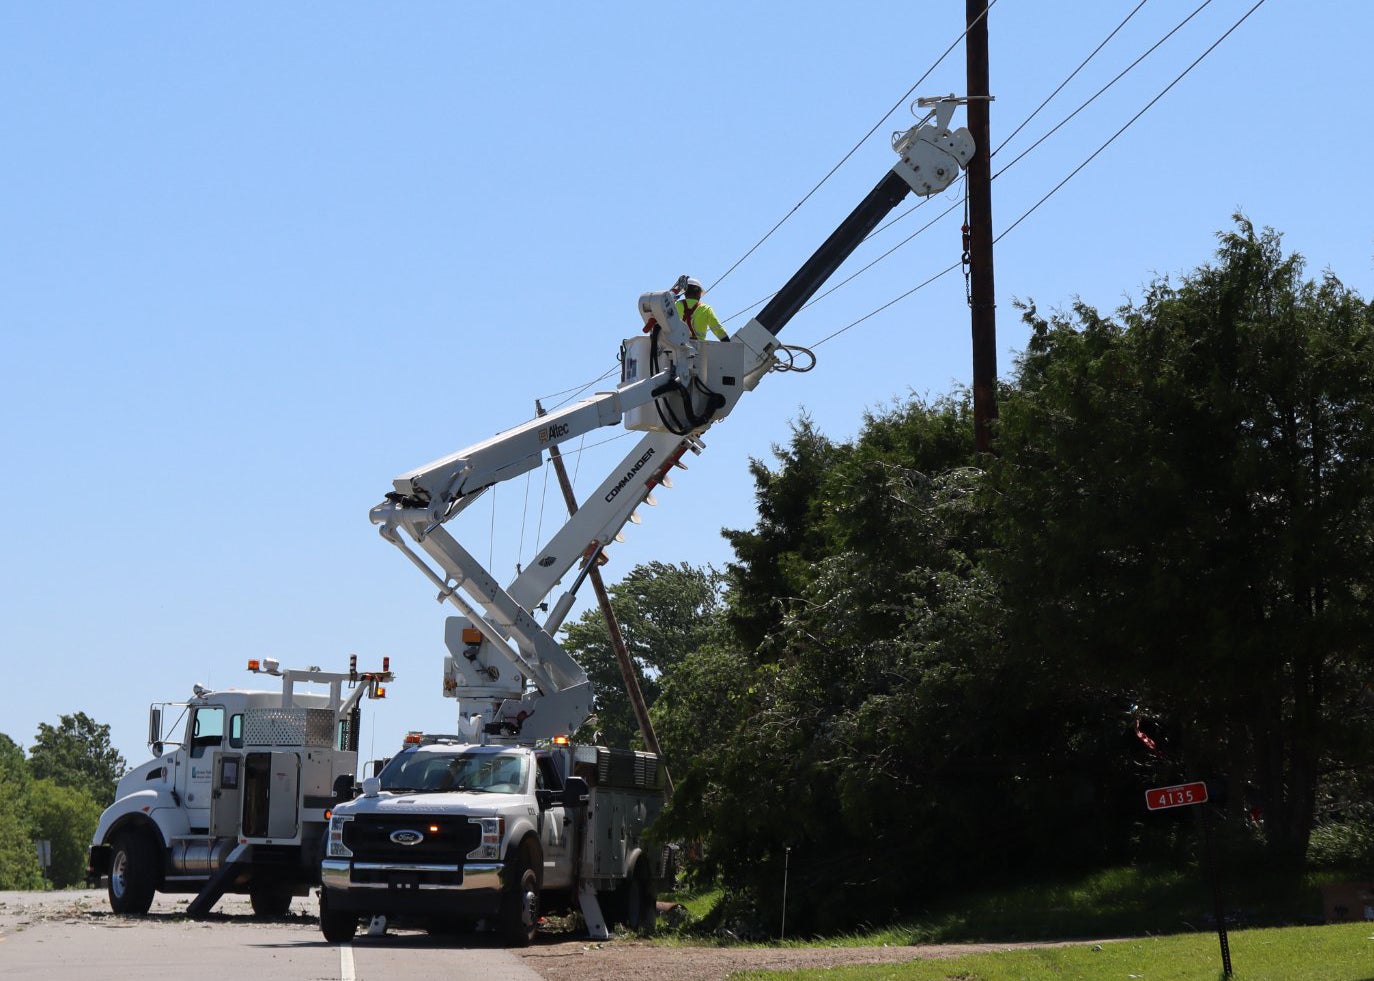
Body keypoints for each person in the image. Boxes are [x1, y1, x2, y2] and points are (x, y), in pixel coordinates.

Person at [676, 277, 728, 341]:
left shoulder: (675, 305)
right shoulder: (706, 309)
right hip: (697, 348)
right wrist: (727, 342)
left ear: (684, 293)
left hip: (676, 345)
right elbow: (718, 329)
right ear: (699, 293)